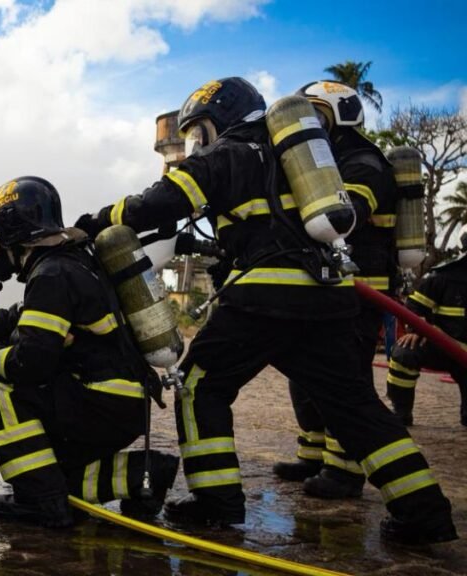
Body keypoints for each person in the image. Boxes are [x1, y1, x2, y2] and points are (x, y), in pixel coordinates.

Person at [74, 77, 457, 544]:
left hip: (264, 292)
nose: (198, 142)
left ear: (223, 118)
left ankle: (217, 504)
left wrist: (93, 223)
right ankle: (425, 513)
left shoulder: (229, 152)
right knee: (353, 404)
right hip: (327, 294)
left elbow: (160, 204)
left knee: (200, 386)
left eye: (201, 130)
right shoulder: (302, 155)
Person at [0, 176, 179, 529]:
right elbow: (11, 324)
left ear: (14, 232)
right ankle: (144, 475)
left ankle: (40, 504)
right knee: (53, 471)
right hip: (119, 405)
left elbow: (30, 364)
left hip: (101, 404)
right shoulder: (70, 263)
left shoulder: (52, 275)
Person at [272, 81, 399, 500]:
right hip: (329, 287)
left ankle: (345, 473)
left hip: (362, 290)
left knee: (348, 381)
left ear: (340, 116)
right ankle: (313, 455)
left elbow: (346, 215)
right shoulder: (327, 162)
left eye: (317, 115)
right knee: (306, 376)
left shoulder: (364, 162)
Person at [386, 232, 467, 428]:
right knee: (404, 354)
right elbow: (415, 307)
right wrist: (417, 329)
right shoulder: (445, 277)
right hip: (444, 347)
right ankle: (401, 412)